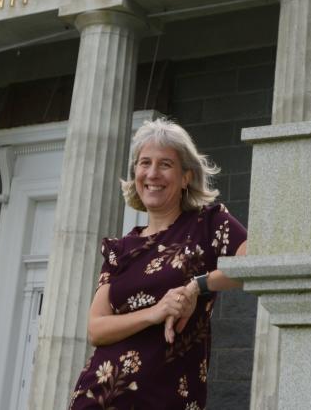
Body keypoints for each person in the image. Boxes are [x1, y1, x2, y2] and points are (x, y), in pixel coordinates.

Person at [68, 119, 247, 410]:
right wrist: (155, 313)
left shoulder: (208, 224)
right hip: (96, 398)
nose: (152, 173)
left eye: (165, 164)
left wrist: (197, 286)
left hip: (166, 398)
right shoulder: (120, 249)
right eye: (144, 163)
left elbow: (256, 264)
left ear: (186, 176)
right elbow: (96, 329)